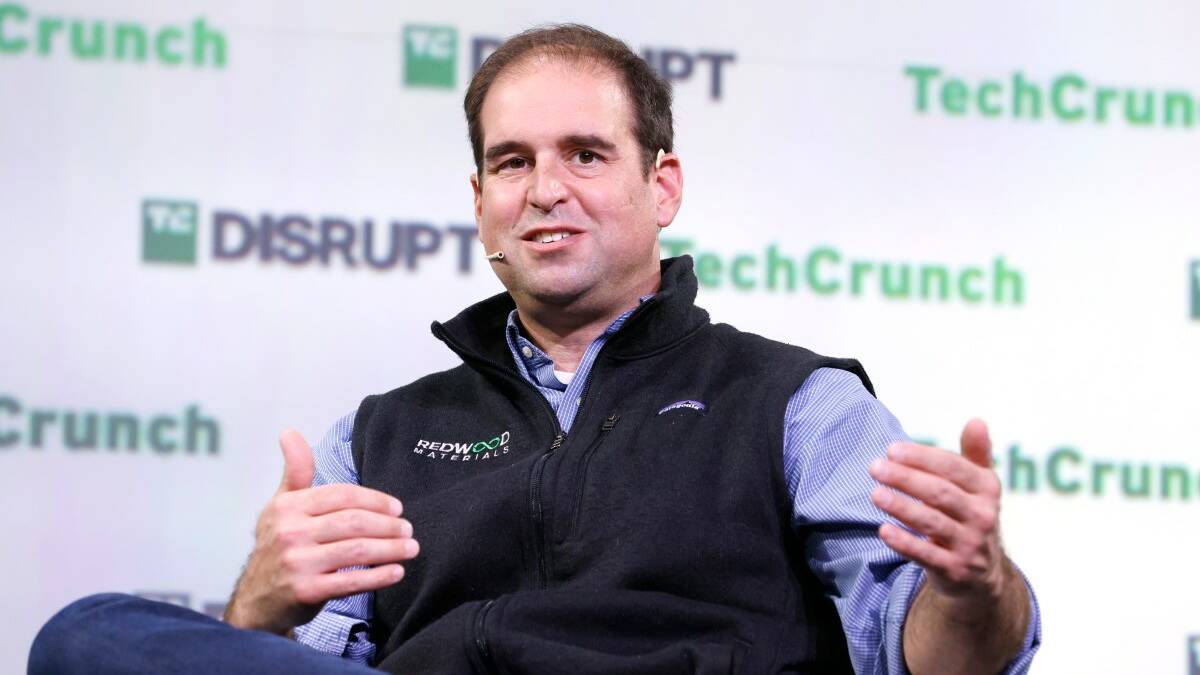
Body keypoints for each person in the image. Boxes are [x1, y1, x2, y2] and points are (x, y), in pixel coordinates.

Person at [30, 24, 1040, 675]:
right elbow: (316, 664)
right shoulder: (377, 438)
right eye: (512, 163)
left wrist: (976, 587)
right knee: (88, 635)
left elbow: (934, 656)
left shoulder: (795, 403)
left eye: (585, 155)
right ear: (481, 203)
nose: (546, 190)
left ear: (662, 186)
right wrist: (257, 611)